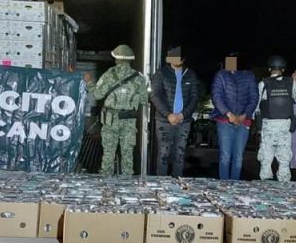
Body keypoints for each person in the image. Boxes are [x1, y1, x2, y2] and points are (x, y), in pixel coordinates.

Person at [84, 44, 149, 175]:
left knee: (108, 156)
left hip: (111, 120)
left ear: (117, 59)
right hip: (129, 121)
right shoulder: (139, 78)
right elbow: (144, 100)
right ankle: (127, 183)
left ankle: (106, 183)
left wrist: (89, 82)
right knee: (127, 157)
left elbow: (98, 94)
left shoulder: (109, 75)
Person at [149, 46, 200, 176]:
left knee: (180, 154)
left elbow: (195, 97)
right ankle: (161, 183)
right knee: (163, 154)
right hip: (164, 121)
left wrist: (183, 115)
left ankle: (178, 182)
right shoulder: (161, 74)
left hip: (184, 122)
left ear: (183, 59)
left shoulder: (190, 75)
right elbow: (155, 95)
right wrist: (168, 114)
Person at [210, 53, 258, 180]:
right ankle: (224, 185)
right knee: (225, 156)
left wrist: (244, 115)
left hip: (244, 122)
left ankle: (235, 185)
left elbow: (254, 98)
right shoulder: (221, 75)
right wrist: (229, 114)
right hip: (224, 121)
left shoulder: (249, 76)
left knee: (238, 157)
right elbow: (217, 96)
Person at [257, 55, 296, 182]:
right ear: (283, 69)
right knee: (284, 159)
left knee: (266, 158)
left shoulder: (263, 84)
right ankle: (284, 184)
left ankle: (265, 183)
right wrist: (295, 81)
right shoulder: (290, 82)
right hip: (284, 126)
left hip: (268, 125)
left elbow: (257, 107)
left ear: (269, 69)